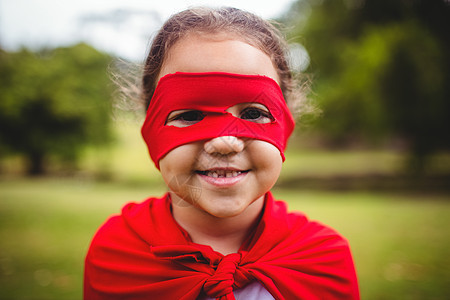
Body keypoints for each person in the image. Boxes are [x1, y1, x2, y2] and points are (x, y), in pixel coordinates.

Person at [84, 6, 359, 300]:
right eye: (189, 115)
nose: (225, 142)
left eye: (253, 113)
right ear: (151, 127)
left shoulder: (323, 261)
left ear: (286, 125)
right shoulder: (117, 254)